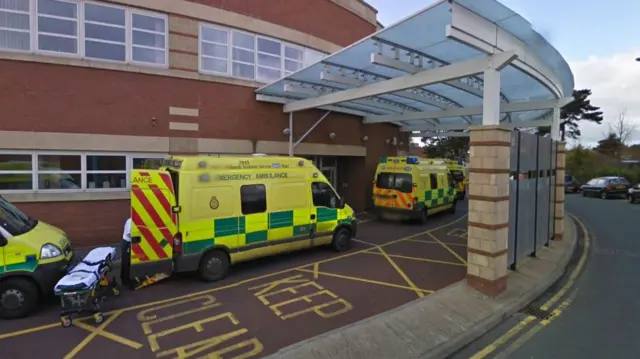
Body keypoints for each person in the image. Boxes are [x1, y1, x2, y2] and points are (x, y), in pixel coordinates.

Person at [120, 218, 132, 285]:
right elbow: (129, 234)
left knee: (126, 261)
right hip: (126, 243)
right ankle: (125, 280)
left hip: (128, 243)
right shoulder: (130, 221)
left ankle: (124, 278)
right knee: (126, 261)